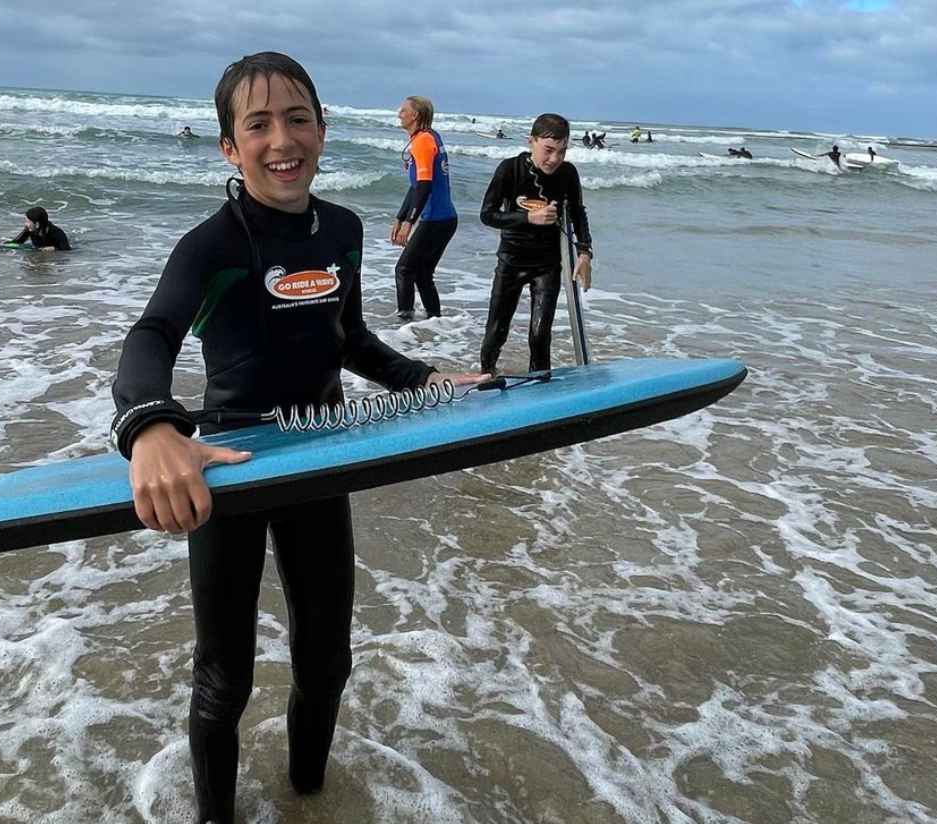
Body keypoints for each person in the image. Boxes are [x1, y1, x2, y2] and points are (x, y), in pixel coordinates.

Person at [109, 52, 480, 823]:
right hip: (232, 467)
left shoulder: (341, 231)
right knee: (225, 677)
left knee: (327, 659)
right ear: (229, 147)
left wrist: (424, 380)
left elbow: (349, 338)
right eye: (259, 124)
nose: (283, 138)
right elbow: (151, 337)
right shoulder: (210, 246)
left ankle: (309, 794)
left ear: (322, 128)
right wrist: (150, 427)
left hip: (319, 455)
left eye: (298, 117)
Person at [477, 113, 594, 374]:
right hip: (511, 260)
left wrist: (585, 253)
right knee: (496, 331)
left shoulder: (567, 173)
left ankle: (540, 387)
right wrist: (529, 217)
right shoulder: (510, 169)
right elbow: (487, 215)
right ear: (531, 141)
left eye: (562, 151)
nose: (555, 159)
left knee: (540, 335)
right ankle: (485, 378)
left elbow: (578, 213)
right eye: (549, 150)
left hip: (547, 264)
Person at [390, 95, 458, 321]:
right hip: (443, 218)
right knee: (422, 273)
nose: (399, 114)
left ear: (415, 115)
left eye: (403, 110)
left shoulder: (423, 142)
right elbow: (416, 187)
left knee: (404, 270)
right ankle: (435, 321)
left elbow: (425, 186)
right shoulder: (429, 138)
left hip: (436, 219)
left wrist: (409, 223)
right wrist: (400, 217)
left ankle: (404, 323)